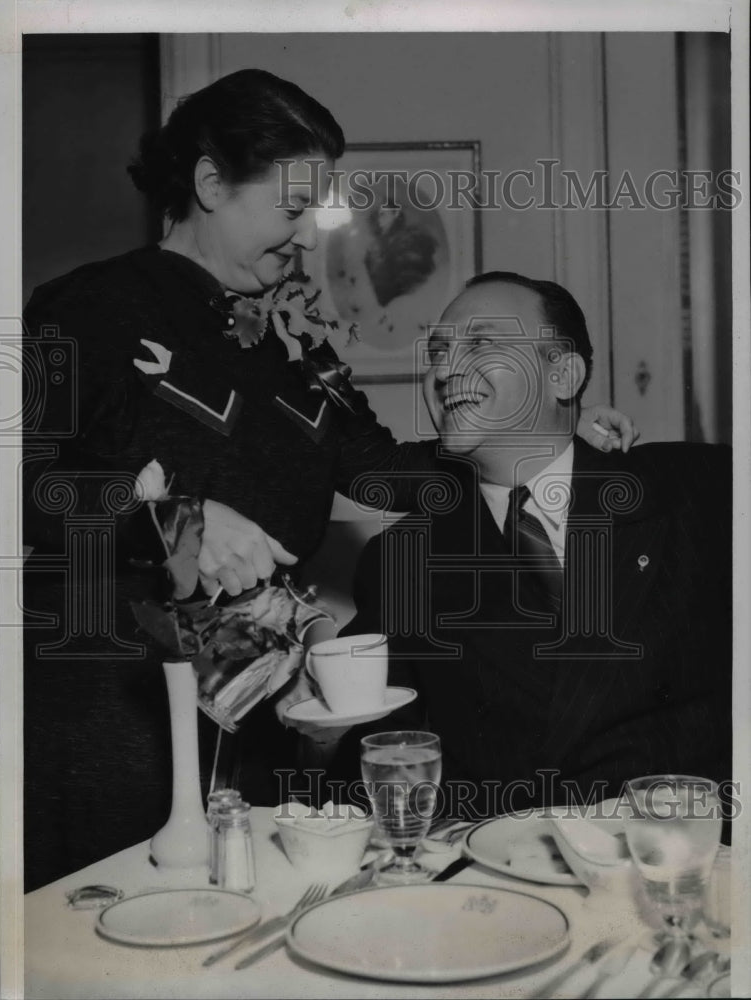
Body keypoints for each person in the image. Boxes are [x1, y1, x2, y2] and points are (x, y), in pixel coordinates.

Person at [22, 69, 635, 889]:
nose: (310, 238)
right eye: (291, 209)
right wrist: (177, 524)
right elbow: (23, 483)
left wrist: (536, 435)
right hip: (112, 725)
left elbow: (382, 471)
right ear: (210, 184)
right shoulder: (89, 308)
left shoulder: (293, 337)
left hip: (266, 717)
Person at [313, 271, 731, 817]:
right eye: (438, 350)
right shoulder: (402, 561)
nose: (443, 370)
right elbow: (373, 757)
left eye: (481, 342)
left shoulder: (706, 490)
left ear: (562, 375)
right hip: (507, 878)